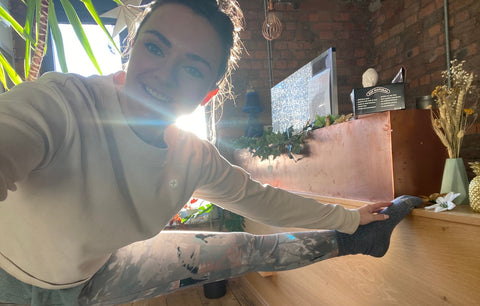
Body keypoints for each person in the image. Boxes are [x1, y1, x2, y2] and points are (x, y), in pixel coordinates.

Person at [0, 0, 422, 305]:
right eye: (155, 47)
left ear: (208, 93)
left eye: (191, 67)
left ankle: (366, 241)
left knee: (245, 248)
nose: (162, 75)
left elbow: (262, 199)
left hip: (93, 276)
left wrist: (352, 218)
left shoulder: (190, 156)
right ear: (131, 48)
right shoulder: (64, 104)